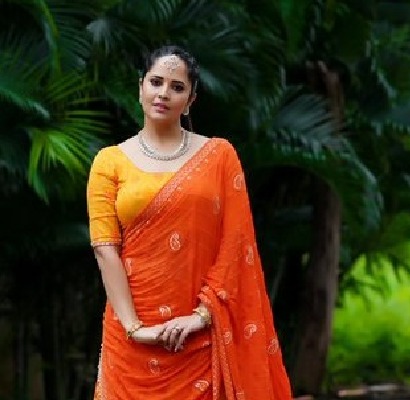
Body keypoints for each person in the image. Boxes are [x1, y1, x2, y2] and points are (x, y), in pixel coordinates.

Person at [86, 45, 292, 400]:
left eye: (177, 87)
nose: (164, 93)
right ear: (140, 87)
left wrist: (202, 316)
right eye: (156, 82)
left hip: (200, 338)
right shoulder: (109, 162)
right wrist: (136, 328)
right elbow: (106, 250)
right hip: (130, 339)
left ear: (191, 100)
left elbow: (236, 243)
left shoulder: (219, 156)